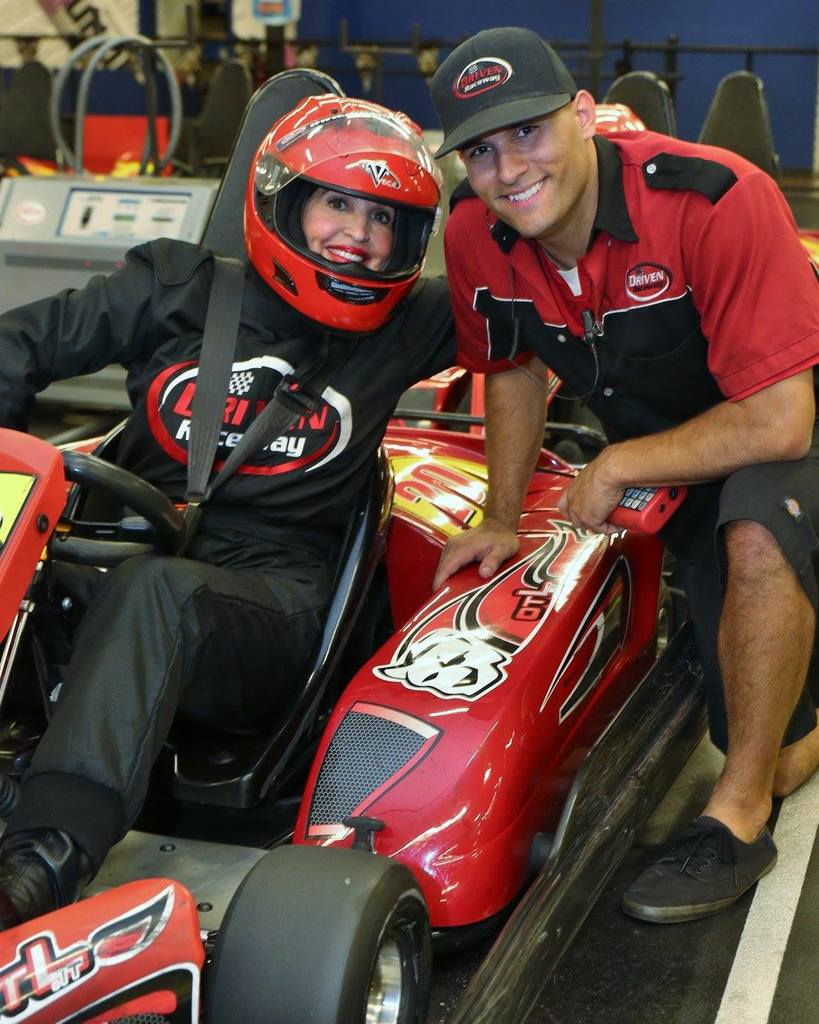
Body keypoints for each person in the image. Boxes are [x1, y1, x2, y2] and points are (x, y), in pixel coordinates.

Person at [0, 93, 454, 927]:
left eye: (383, 218)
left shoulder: (411, 322)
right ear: (284, 201)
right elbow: (18, 345)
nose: (358, 234)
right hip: (123, 552)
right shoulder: (179, 287)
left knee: (156, 594)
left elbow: (540, 310)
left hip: (272, 613)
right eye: (337, 203)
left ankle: (41, 862)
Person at [429, 26, 819, 923]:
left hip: (791, 432)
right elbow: (511, 368)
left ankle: (737, 816)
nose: (507, 169)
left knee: (758, 539)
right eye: (480, 151)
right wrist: (498, 517)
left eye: (526, 131)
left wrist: (617, 464)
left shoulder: (715, 198)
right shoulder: (474, 234)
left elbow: (778, 422)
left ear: (580, 115)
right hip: (689, 457)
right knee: (770, 720)